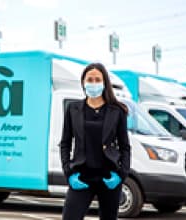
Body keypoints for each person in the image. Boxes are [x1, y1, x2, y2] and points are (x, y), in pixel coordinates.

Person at [60, 62, 130, 220]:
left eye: (97, 79)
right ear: (83, 82)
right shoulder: (73, 109)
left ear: (104, 82)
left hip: (108, 177)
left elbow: (125, 147)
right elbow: (65, 143)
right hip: (82, 176)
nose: (93, 83)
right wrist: (68, 172)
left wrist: (121, 175)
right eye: (89, 80)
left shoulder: (117, 111)